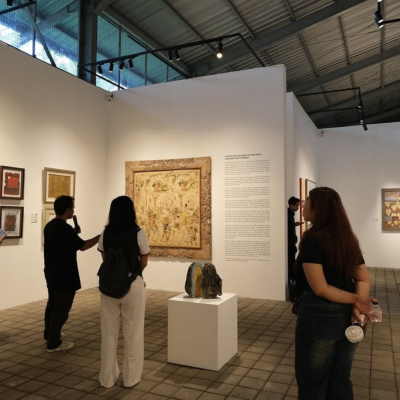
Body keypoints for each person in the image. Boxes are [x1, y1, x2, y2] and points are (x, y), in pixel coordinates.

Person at [295, 187, 375, 400]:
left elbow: (320, 288)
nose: (303, 206)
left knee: (313, 380)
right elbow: (363, 278)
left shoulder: (312, 239)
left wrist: (358, 300)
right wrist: (357, 303)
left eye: (307, 202)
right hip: (349, 317)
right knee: (340, 377)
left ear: (318, 208)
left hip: (320, 317)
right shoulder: (347, 238)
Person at [98, 196, 150, 388]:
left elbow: (105, 259)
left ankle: (107, 378)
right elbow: (144, 261)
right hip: (132, 284)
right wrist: (131, 274)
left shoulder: (105, 233)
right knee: (133, 332)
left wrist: (116, 275)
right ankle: (130, 378)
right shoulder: (138, 233)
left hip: (108, 286)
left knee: (108, 334)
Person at [43, 195, 100, 352]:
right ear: (67, 210)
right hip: (65, 274)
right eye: (72, 208)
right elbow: (83, 246)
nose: (73, 210)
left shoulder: (49, 226)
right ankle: (54, 343)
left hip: (51, 272)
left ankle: (49, 334)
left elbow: (62, 244)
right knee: (62, 309)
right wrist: (100, 237)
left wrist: (73, 233)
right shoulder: (65, 228)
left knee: (52, 304)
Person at [287, 196, 302, 283]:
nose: (298, 207)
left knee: (292, 263)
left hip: (291, 244)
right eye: (297, 205)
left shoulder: (291, 214)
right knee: (290, 264)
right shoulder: (287, 215)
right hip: (289, 245)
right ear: (291, 205)